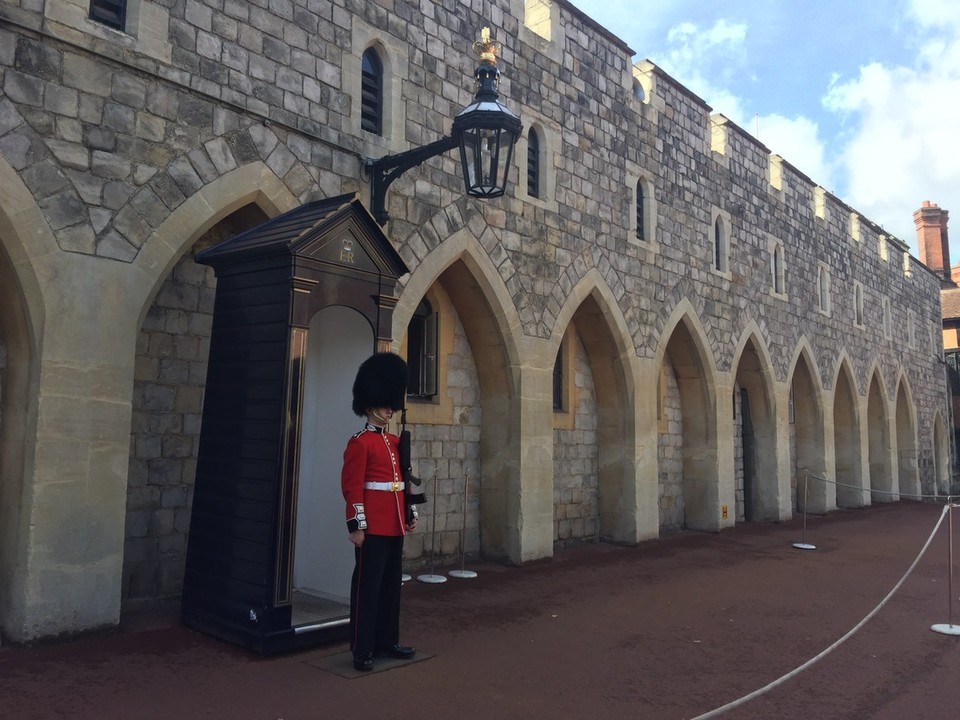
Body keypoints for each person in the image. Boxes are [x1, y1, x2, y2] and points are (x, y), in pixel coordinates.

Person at [342, 351, 418, 672]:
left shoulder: (394, 440)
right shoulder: (360, 443)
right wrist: (356, 525)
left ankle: (387, 640)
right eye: (387, 404)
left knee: (390, 586)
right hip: (372, 526)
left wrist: (410, 513)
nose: (391, 408)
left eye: (392, 404)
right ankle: (362, 648)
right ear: (371, 404)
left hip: (395, 524)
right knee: (367, 588)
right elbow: (352, 488)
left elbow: (403, 480)